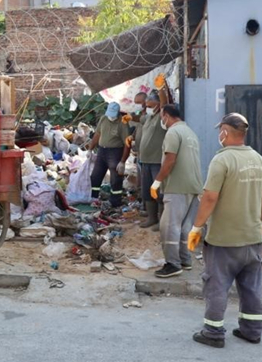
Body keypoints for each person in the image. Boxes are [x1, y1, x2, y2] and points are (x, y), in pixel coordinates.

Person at [187, 113, 262, 348]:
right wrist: (255, 221)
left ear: (224, 131)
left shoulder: (221, 160)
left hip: (224, 239)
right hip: (253, 237)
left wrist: (197, 227)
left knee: (217, 284)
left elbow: (210, 197)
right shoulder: (259, 160)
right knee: (251, 287)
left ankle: (213, 333)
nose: (218, 135)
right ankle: (252, 330)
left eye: (219, 131)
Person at [151, 104, 203, 278]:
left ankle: (173, 264)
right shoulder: (190, 133)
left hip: (177, 186)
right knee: (185, 227)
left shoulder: (173, 133)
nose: (162, 121)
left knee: (169, 227)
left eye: (162, 118)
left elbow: (170, 159)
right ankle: (185, 259)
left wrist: (157, 181)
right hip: (194, 186)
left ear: (166, 115)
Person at [135, 90, 168, 229]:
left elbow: (165, 104)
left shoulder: (161, 117)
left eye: (149, 104)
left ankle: (162, 221)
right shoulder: (148, 117)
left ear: (158, 104)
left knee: (159, 192)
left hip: (156, 161)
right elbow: (138, 118)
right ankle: (152, 218)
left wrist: (161, 90)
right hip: (145, 160)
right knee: (147, 191)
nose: (146, 107)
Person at [87, 102, 129, 208]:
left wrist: (123, 161)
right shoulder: (104, 119)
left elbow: (127, 144)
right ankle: (93, 197)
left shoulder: (122, 123)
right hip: (102, 151)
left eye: (113, 114)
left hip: (115, 152)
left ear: (118, 113)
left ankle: (115, 201)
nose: (110, 116)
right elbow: (97, 134)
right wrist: (90, 149)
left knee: (115, 178)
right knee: (96, 175)